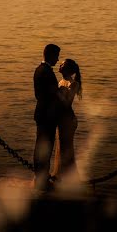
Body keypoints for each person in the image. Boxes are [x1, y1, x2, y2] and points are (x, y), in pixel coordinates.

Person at [32, 43, 61, 190]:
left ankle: (39, 176)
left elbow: (38, 94)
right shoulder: (47, 72)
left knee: (39, 146)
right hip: (47, 115)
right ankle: (42, 180)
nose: (57, 60)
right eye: (56, 56)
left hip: (40, 112)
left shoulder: (38, 70)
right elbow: (52, 94)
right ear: (50, 55)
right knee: (46, 146)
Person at [51, 58, 82, 185]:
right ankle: (61, 176)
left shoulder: (73, 84)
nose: (60, 65)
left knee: (67, 149)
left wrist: (58, 92)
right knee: (60, 148)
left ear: (68, 69)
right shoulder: (61, 81)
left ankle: (70, 179)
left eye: (62, 64)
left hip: (68, 120)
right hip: (61, 119)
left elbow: (67, 103)